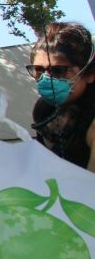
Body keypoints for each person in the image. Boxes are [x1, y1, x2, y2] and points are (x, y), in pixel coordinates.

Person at [28, 21, 95, 171]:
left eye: (58, 70)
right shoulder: (43, 110)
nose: (46, 79)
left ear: (90, 74)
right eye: (38, 70)